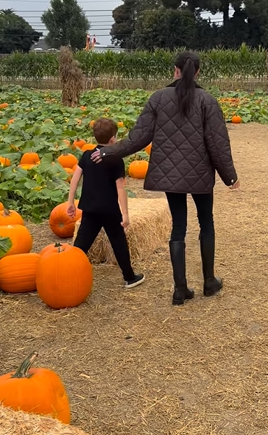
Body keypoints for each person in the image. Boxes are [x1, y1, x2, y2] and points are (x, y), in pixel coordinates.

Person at [91, 52, 239, 306]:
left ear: (175, 71)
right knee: (207, 222)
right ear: (198, 73)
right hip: (200, 174)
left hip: (171, 176)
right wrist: (230, 176)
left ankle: (180, 289)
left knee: (178, 226)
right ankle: (209, 282)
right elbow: (218, 144)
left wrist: (106, 150)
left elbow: (138, 139)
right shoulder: (208, 100)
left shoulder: (158, 98)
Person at [66, 118, 144, 289]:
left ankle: (66, 274)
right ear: (112, 139)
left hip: (90, 208)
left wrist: (70, 201)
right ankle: (129, 277)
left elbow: (75, 178)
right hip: (109, 210)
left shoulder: (86, 155)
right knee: (118, 242)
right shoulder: (115, 159)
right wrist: (125, 213)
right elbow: (120, 188)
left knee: (81, 245)